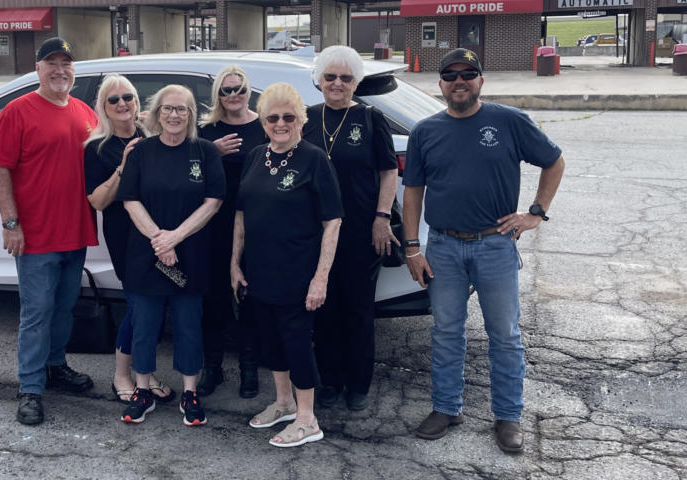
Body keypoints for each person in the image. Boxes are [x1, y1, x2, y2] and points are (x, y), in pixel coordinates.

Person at [402, 48, 565, 454]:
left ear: (480, 81)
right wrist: (412, 248)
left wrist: (535, 213)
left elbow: (554, 161)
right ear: (440, 84)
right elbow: (413, 192)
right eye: (450, 75)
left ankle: (508, 416)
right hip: (443, 247)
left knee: (504, 334)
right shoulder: (425, 132)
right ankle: (446, 408)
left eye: (467, 74)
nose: (459, 82)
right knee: (446, 331)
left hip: (495, 245)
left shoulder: (508, 121)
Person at [0, 37, 98, 427]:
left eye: (66, 63)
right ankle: (30, 389)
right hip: (34, 237)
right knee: (36, 314)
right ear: (38, 69)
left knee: (64, 309)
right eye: (51, 63)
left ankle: (55, 366)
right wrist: (10, 223)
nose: (59, 70)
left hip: (75, 233)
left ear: (73, 70)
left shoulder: (85, 112)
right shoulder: (17, 111)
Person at [232, 82, 342, 448]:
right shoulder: (256, 155)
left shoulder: (314, 159)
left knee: (296, 342)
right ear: (263, 122)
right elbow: (241, 214)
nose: (280, 124)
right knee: (270, 339)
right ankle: (283, 403)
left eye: (288, 117)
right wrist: (234, 263)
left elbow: (332, 222)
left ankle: (308, 419)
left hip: (298, 270)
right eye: (273, 118)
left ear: (301, 121)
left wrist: (320, 278)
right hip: (259, 269)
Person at [116, 85, 224, 427]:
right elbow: (130, 200)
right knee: (144, 325)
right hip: (146, 255)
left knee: (189, 325)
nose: (175, 115)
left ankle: (190, 393)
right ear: (156, 112)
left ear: (191, 115)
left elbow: (213, 202)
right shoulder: (141, 151)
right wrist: (160, 241)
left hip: (190, 253)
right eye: (168, 108)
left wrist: (175, 237)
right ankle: (142, 390)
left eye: (182, 109)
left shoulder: (205, 151)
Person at [303, 45, 399, 412]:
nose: (337, 83)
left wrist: (381, 218)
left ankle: (359, 383)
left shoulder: (371, 119)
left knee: (358, 310)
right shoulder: (307, 118)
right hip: (316, 232)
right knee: (324, 310)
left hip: (361, 230)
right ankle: (330, 381)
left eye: (345, 78)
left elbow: (388, 172)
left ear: (356, 82)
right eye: (330, 77)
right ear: (319, 80)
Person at [83, 75, 174, 405]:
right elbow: (97, 201)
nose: (122, 104)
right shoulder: (96, 148)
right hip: (126, 237)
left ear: (137, 103)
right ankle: (123, 374)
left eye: (128, 97)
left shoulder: (153, 137)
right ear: (103, 107)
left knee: (157, 304)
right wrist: (122, 167)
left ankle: (144, 371)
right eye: (114, 99)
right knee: (139, 307)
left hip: (159, 233)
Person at [196, 65, 267, 399]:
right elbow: (189, 175)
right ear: (218, 95)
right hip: (214, 223)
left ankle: (249, 367)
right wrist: (212, 152)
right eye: (226, 90)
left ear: (248, 90)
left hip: (256, 222)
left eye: (239, 88)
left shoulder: (265, 125)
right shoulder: (206, 130)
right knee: (214, 298)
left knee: (250, 296)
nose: (234, 95)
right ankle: (212, 366)